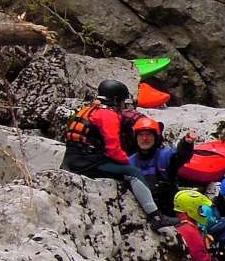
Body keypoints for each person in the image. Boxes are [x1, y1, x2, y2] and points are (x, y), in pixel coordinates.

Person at [62, 79, 178, 231]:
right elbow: (113, 148)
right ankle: (156, 216)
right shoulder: (108, 115)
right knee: (134, 173)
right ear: (116, 100)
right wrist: (127, 164)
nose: (124, 105)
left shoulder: (87, 109)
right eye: (123, 101)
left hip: (69, 160)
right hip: (88, 162)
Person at [128, 117, 195, 215]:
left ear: (156, 137)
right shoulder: (130, 161)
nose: (144, 138)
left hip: (168, 210)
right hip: (142, 213)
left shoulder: (165, 154)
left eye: (148, 135)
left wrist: (186, 144)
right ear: (135, 138)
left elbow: (180, 156)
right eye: (141, 135)